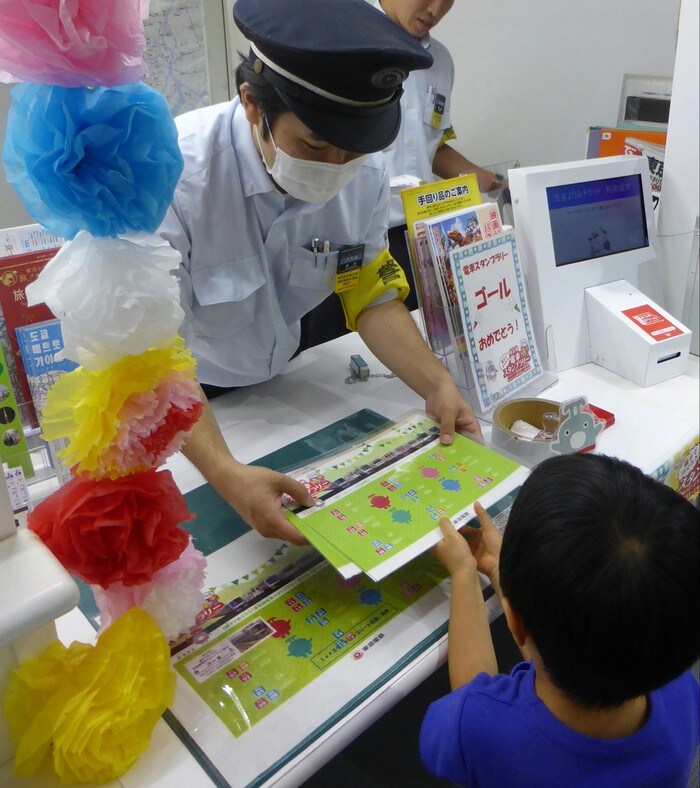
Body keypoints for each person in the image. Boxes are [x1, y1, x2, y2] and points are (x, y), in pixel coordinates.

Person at [159, 0, 483, 546]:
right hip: (191, 413)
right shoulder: (175, 175)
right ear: (253, 105)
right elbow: (151, 349)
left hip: (282, 386)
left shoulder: (367, 171)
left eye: (352, 150)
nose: (335, 170)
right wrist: (225, 474)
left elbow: (370, 289)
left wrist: (437, 384)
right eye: (313, 145)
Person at [421, 453, 700, 786]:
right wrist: (502, 572)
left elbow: (471, 700)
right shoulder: (682, 689)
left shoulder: (480, 730)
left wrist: (463, 572)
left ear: (516, 621)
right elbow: (574, 650)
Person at [368, 0, 508, 311]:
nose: (436, 9)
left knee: (420, 335)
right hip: (353, 237)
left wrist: (497, 182)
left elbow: (431, 148)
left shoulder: (439, 61)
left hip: (417, 234)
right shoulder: (344, 38)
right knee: (340, 350)